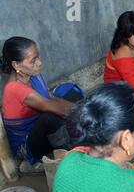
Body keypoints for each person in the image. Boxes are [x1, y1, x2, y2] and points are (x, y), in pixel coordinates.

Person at [1, 37, 80, 174]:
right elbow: (55, 108)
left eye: (38, 57)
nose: (39, 63)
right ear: (16, 65)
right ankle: (73, 157)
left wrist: (82, 109)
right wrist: (90, 113)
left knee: (72, 92)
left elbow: (51, 98)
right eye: (33, 61)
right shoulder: (14, 89)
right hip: (26, 146)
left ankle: (70, 139)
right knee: (52, 118)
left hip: (41, 130)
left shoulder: (33, 75)